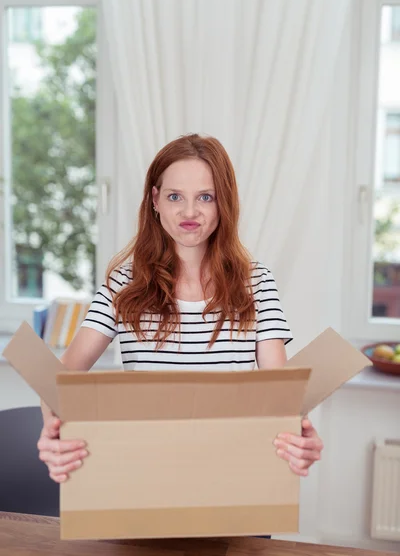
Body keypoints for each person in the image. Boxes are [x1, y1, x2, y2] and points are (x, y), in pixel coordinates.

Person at [37, 133, 323, 486]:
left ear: (224, 203)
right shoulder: (123, 284)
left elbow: (280, 395)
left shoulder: (256, 282)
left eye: (206, 197)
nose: (190, 212)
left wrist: (299, 435)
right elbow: (60, 379)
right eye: (175, 196)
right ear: (155, 200)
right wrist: (51, 434)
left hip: (235, 480)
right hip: (144, 480)